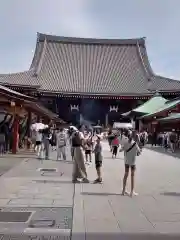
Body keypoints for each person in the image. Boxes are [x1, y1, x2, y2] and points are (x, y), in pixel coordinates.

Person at [120, 132, 140, 197]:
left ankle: (123, 190)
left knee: (126, 174)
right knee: (132, 176)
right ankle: (132, 192)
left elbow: (120, 150)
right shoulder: (135, 144)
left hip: (126, 161)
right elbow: (139, 152)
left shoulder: (126, 143)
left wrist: (125, 149)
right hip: (133, 162)